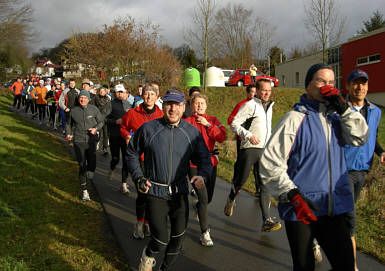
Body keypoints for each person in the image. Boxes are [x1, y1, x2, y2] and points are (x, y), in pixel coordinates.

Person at [259, 63, 369, 271]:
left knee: (346, 264)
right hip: (301, 207)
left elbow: (360, 137)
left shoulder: (338, 118)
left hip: (334, 207)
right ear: (308, 86)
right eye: (320, 81)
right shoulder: (295, 118)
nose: (326, 86)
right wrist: (291, 194)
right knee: (304, 266)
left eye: (331, 82)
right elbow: (270, 162)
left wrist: (344, 108)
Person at [126, 89, 212, 271]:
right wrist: (138, 177)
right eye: (169, 104)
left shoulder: (192, 133)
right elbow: (132, 152)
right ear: (163, 105)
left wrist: (202, 175)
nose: (173, 109)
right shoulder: (149, 129)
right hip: (155, 192)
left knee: (178, 238)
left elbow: (206, 158)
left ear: (184, 107)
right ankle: (148, 255)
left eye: (177, 105)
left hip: (180, 193)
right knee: (160, 239)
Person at [224, 80, 281, 232]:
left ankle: (266, 220)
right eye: (264, 90)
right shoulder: (250, 105)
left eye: (269, 90)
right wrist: (248, 135)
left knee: (264, 185)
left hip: (264, 150)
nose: (267, 93)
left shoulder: (269, 107)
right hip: (249, 148)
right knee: (241, 179)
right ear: (257, 91)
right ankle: (231, 197)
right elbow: (234, 124)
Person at [343, 69, 385, 271]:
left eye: (363, 83)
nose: (360, 87)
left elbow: (371, 136)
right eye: (355, 83)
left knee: (343, 214)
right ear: (348, 86)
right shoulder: (339, 109)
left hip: (363, 170)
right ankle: (352, 265)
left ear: (368, 87)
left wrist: (380, 151)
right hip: (342, 170)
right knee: (350, 216)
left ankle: (318, 236)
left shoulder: (376, 112)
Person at [120, 84, 164, 239]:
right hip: (139, 159)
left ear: (157, 97)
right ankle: (139, 223)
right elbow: (123, 127)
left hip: (156, 160)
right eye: (146, 94)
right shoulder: (133, 113)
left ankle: (147, 222)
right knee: (142, 192)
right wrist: (126, 136)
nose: (149, 97)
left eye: (152, 94)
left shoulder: (161, 115)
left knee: (152, 195)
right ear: (142, 96)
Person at [185, 93, 226, 246]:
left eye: (202, 103)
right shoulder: (187, 122)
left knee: (208, 199)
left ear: (206, 106)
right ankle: (204, 232)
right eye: (196, 103)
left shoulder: (213, 120)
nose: (200, 106)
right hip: (194, 165)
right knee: (203, 198)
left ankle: (197, 206)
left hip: (210, 163)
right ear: (191, 106)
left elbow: (222, 137)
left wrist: (208, 125)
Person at [65, 90, 104, 201]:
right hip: (78, 140)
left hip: (91, 140)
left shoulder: (94, 109)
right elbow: (68, 124)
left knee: (92, 162)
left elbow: (101, 121)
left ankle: (90, 173)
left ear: (89, 99)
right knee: (82, 164)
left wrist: (95, 129)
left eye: (85, 98)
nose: (83, 99)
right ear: (78, 99)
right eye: (81, 97)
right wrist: (68, 133)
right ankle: (84, 191)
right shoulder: (73, 111)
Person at [227, 85, 257, 197]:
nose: (254, 94)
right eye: (252, 92)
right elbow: (230, 120)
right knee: (241, 163)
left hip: (257, 140)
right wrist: (242, 128)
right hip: (243, 139)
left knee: (258, 166)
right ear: (248, 93)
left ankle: (258, 189)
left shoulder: (260, 105)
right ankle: (236, 183)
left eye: (255, 92)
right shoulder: (241, 105)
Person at [104, 84, 132, 193]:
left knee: (126, 160)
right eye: (118, 92)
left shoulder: (129, 104)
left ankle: (123, 184)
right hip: (114, 135)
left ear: (125, 93)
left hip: (126, 137)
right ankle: (112, 168)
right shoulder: (110, 104)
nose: (120, 94)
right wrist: (115, 122)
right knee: (115, 158)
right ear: (114, 93)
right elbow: (104, 118)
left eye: (122, 92)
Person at [95, 86, 111, 155]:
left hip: (106, 119)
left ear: (105, 92)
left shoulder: (108, 99)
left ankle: (105, 148)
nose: (101, 92)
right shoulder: (96, 98)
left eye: (103, 91)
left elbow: (109, 109)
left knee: (106, 134)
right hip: (98, 118)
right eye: (100, 91)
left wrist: (106, 116)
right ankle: (96, 145)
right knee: (98, 133)